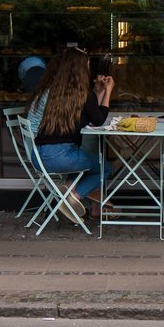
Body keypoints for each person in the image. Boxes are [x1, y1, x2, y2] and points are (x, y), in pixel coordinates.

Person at [28, 43, 113, 221]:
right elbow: (98, 119)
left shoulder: (51, 92)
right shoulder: (83, 94)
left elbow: (88, 115)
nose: (89, 68)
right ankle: (74, 196)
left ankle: (68, 187)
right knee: (105, 167)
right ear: (81, 70)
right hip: (63, 157)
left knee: (82, 161)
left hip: (39, 156)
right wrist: (108, 91)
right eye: (87, 65)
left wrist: (97, 92)